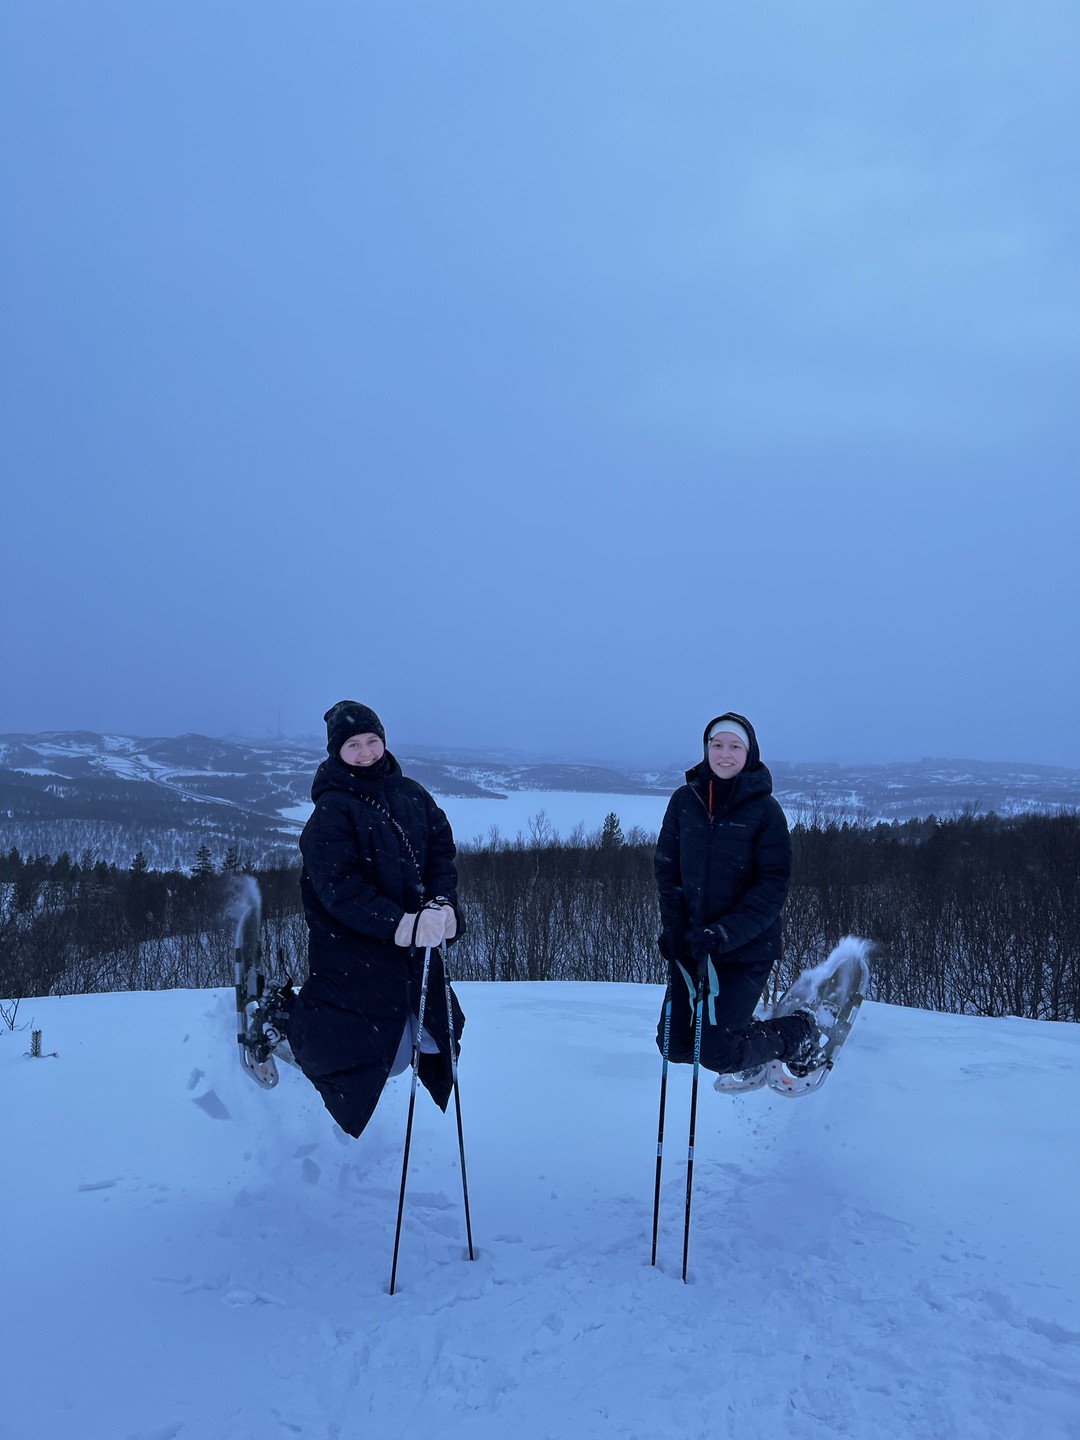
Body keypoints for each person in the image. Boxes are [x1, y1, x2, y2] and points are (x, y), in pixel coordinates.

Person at [285, 700, 465, 1138]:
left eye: (372, 741)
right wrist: (400, 923)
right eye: (353, 745)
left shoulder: (412, 794)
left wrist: (443, 904)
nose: (365, 752)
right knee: (368, 1053)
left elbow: (441, 853)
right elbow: (339, 889)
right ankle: (286, 1029)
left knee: (436, 1037)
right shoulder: (332, 811)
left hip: (412, 953)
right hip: (354, 952)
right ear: (337, 752)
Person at [654, 712, 818, 1082]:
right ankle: (747, 1036)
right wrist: (674, 929)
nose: (724, 754)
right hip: (693, 946)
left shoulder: (765, 811)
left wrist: (724, 933)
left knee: (717, 1051)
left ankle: (798, 1032)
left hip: (746, 949)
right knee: (674, 1045)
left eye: (734, 746)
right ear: (706, 749)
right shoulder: (684, 802)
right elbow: (668, 871)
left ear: (749, 753)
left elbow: (772, 886)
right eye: (717, 745)